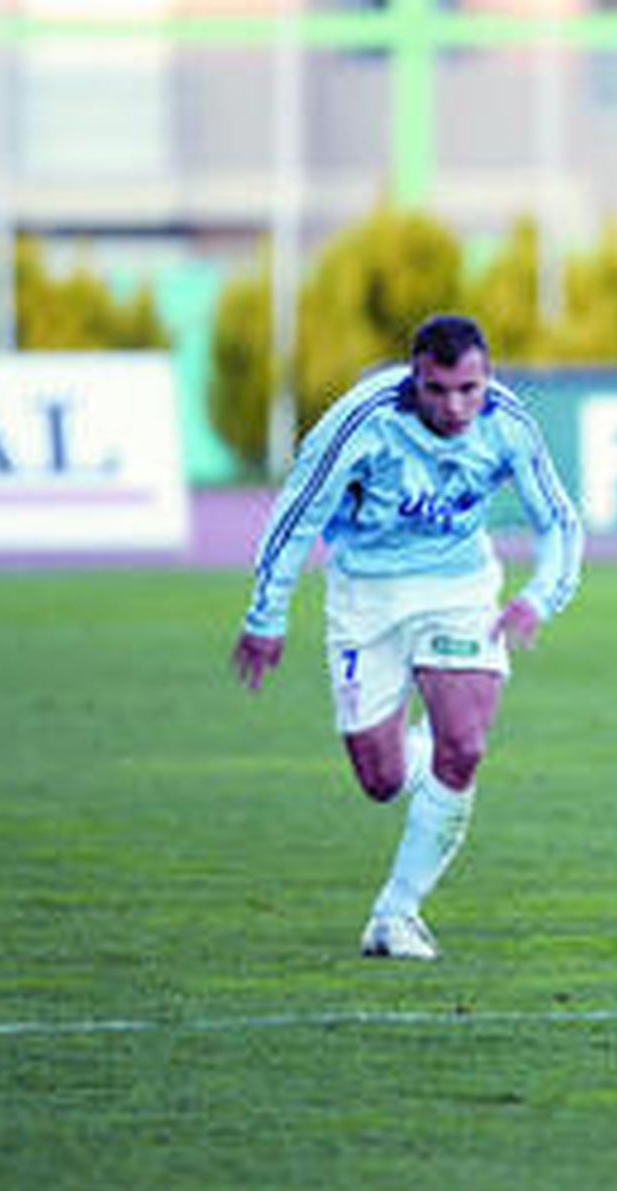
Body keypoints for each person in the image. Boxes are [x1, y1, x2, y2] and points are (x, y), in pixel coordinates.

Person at [231, 314, 583, 960]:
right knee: (382, 778)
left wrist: (540, 596)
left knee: (467, 746)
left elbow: (559, 522)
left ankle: (396, 913)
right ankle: (419, 754)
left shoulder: (508, 423)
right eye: (438, 389)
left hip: (459, 589)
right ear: (412, 379)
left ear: (488, 378)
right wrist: (266, 614)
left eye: (469, 389)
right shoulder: (359, 424)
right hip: (365, 594)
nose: (455, 406)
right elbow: (296, 514)